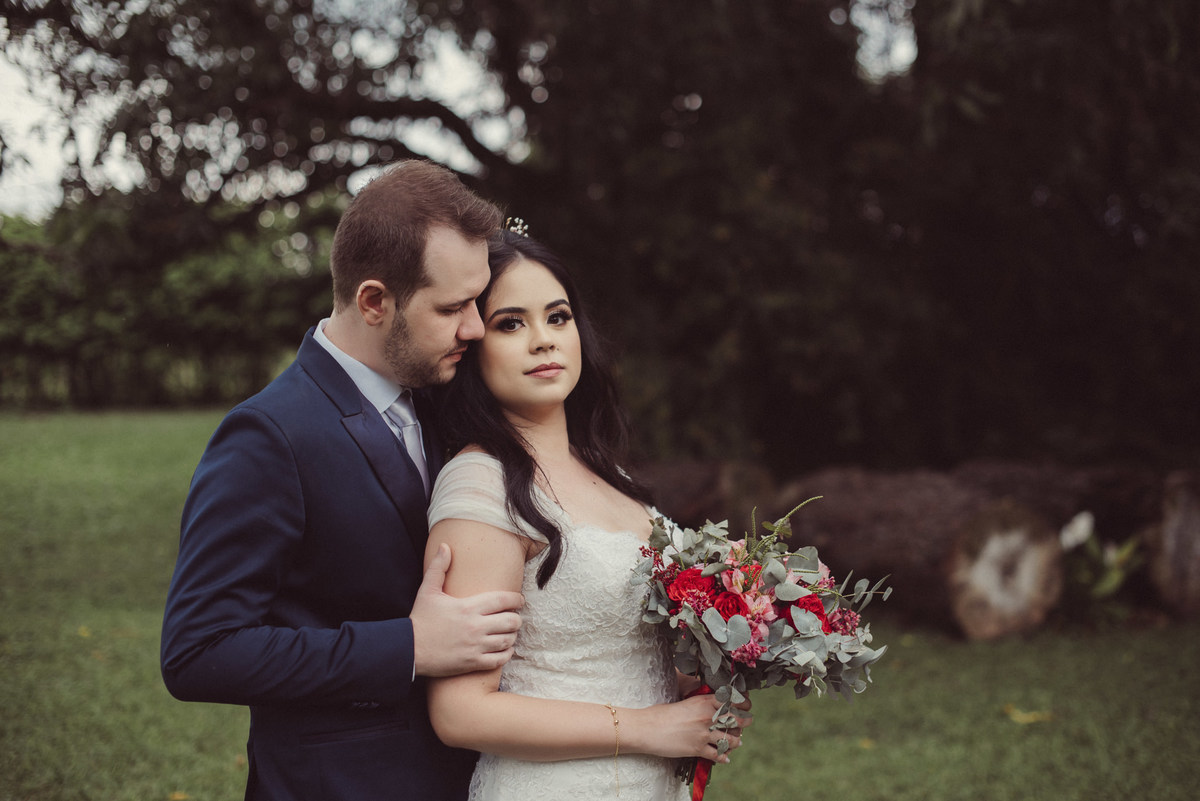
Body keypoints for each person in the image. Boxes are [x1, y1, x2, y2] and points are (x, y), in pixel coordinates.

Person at [160, 160, 525, 801]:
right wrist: (408, 646)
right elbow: (198, 651)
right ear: (374, 302)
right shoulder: (269, 435)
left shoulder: (444, 395)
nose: (474, 326)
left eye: (476, 301)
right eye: (451, 307)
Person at [423, 228, 748, 800]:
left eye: (558, 317)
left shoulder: (608, 473)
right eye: (510, 324)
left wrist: (720, 668)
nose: (544, 340)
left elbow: (619, 653)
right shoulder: (482, 483)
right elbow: (460, 712)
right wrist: (648, 729)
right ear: (472, 344)